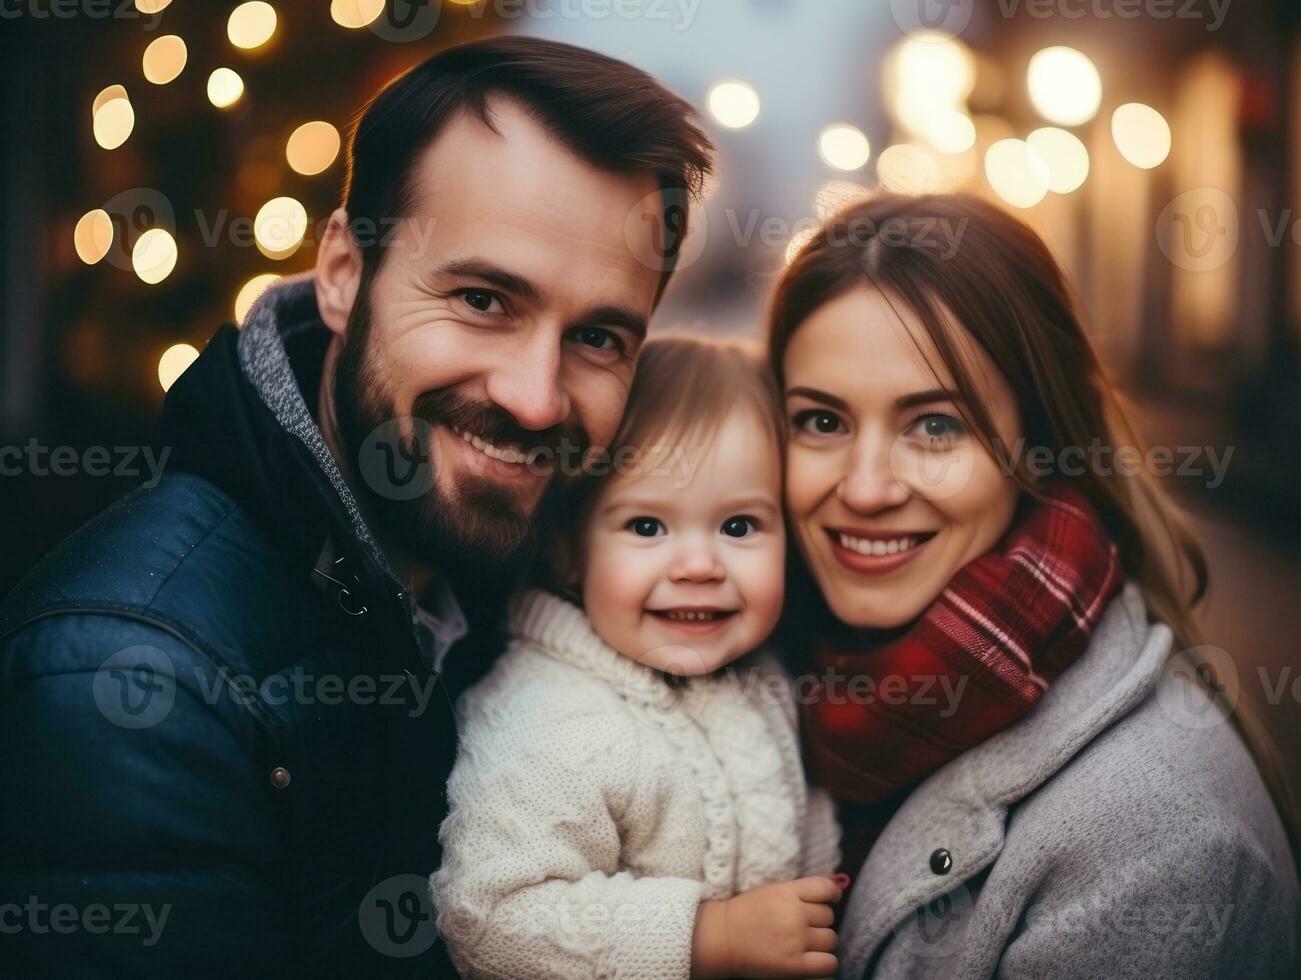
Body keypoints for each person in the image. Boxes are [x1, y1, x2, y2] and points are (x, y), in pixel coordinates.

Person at [0, 36, 711, 976]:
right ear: (343, 271)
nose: (537, 398)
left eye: (598, 336)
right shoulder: (129, 679)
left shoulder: (556, 588)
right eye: (483, 300)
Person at [768, 192, 1299, 978]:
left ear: (1039, 445)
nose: (867, 487)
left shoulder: (1158, 842)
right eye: (821, 421)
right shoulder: (746, 673)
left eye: (936, 425)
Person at [431, 337, 843, 979]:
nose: (700, 567)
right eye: (647, 527)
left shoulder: (766, 675)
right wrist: (715, 936)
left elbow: (800, 819)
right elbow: (489, 919)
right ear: (570, 553)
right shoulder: (549, 721)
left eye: (739, 526)